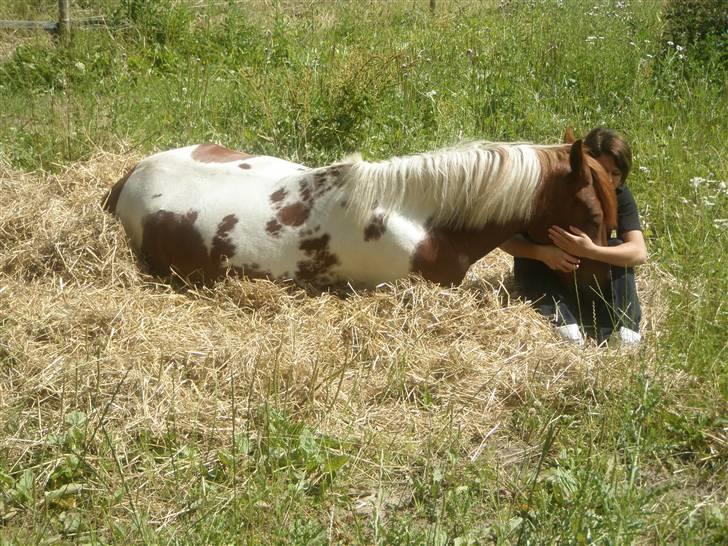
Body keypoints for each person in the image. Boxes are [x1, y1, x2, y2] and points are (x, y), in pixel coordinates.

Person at [500, 127, 647, 345]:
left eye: (615, 174)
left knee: (618, 248)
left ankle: (622, 327)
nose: (607, 179)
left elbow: (638, 252)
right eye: (599, 170)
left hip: (593, 280)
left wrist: (591, 251)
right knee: (528, 258)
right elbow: (505, 240)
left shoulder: (620, 195)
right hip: (552, 276)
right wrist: (543, 253)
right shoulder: (552, 189)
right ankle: (563, 324)